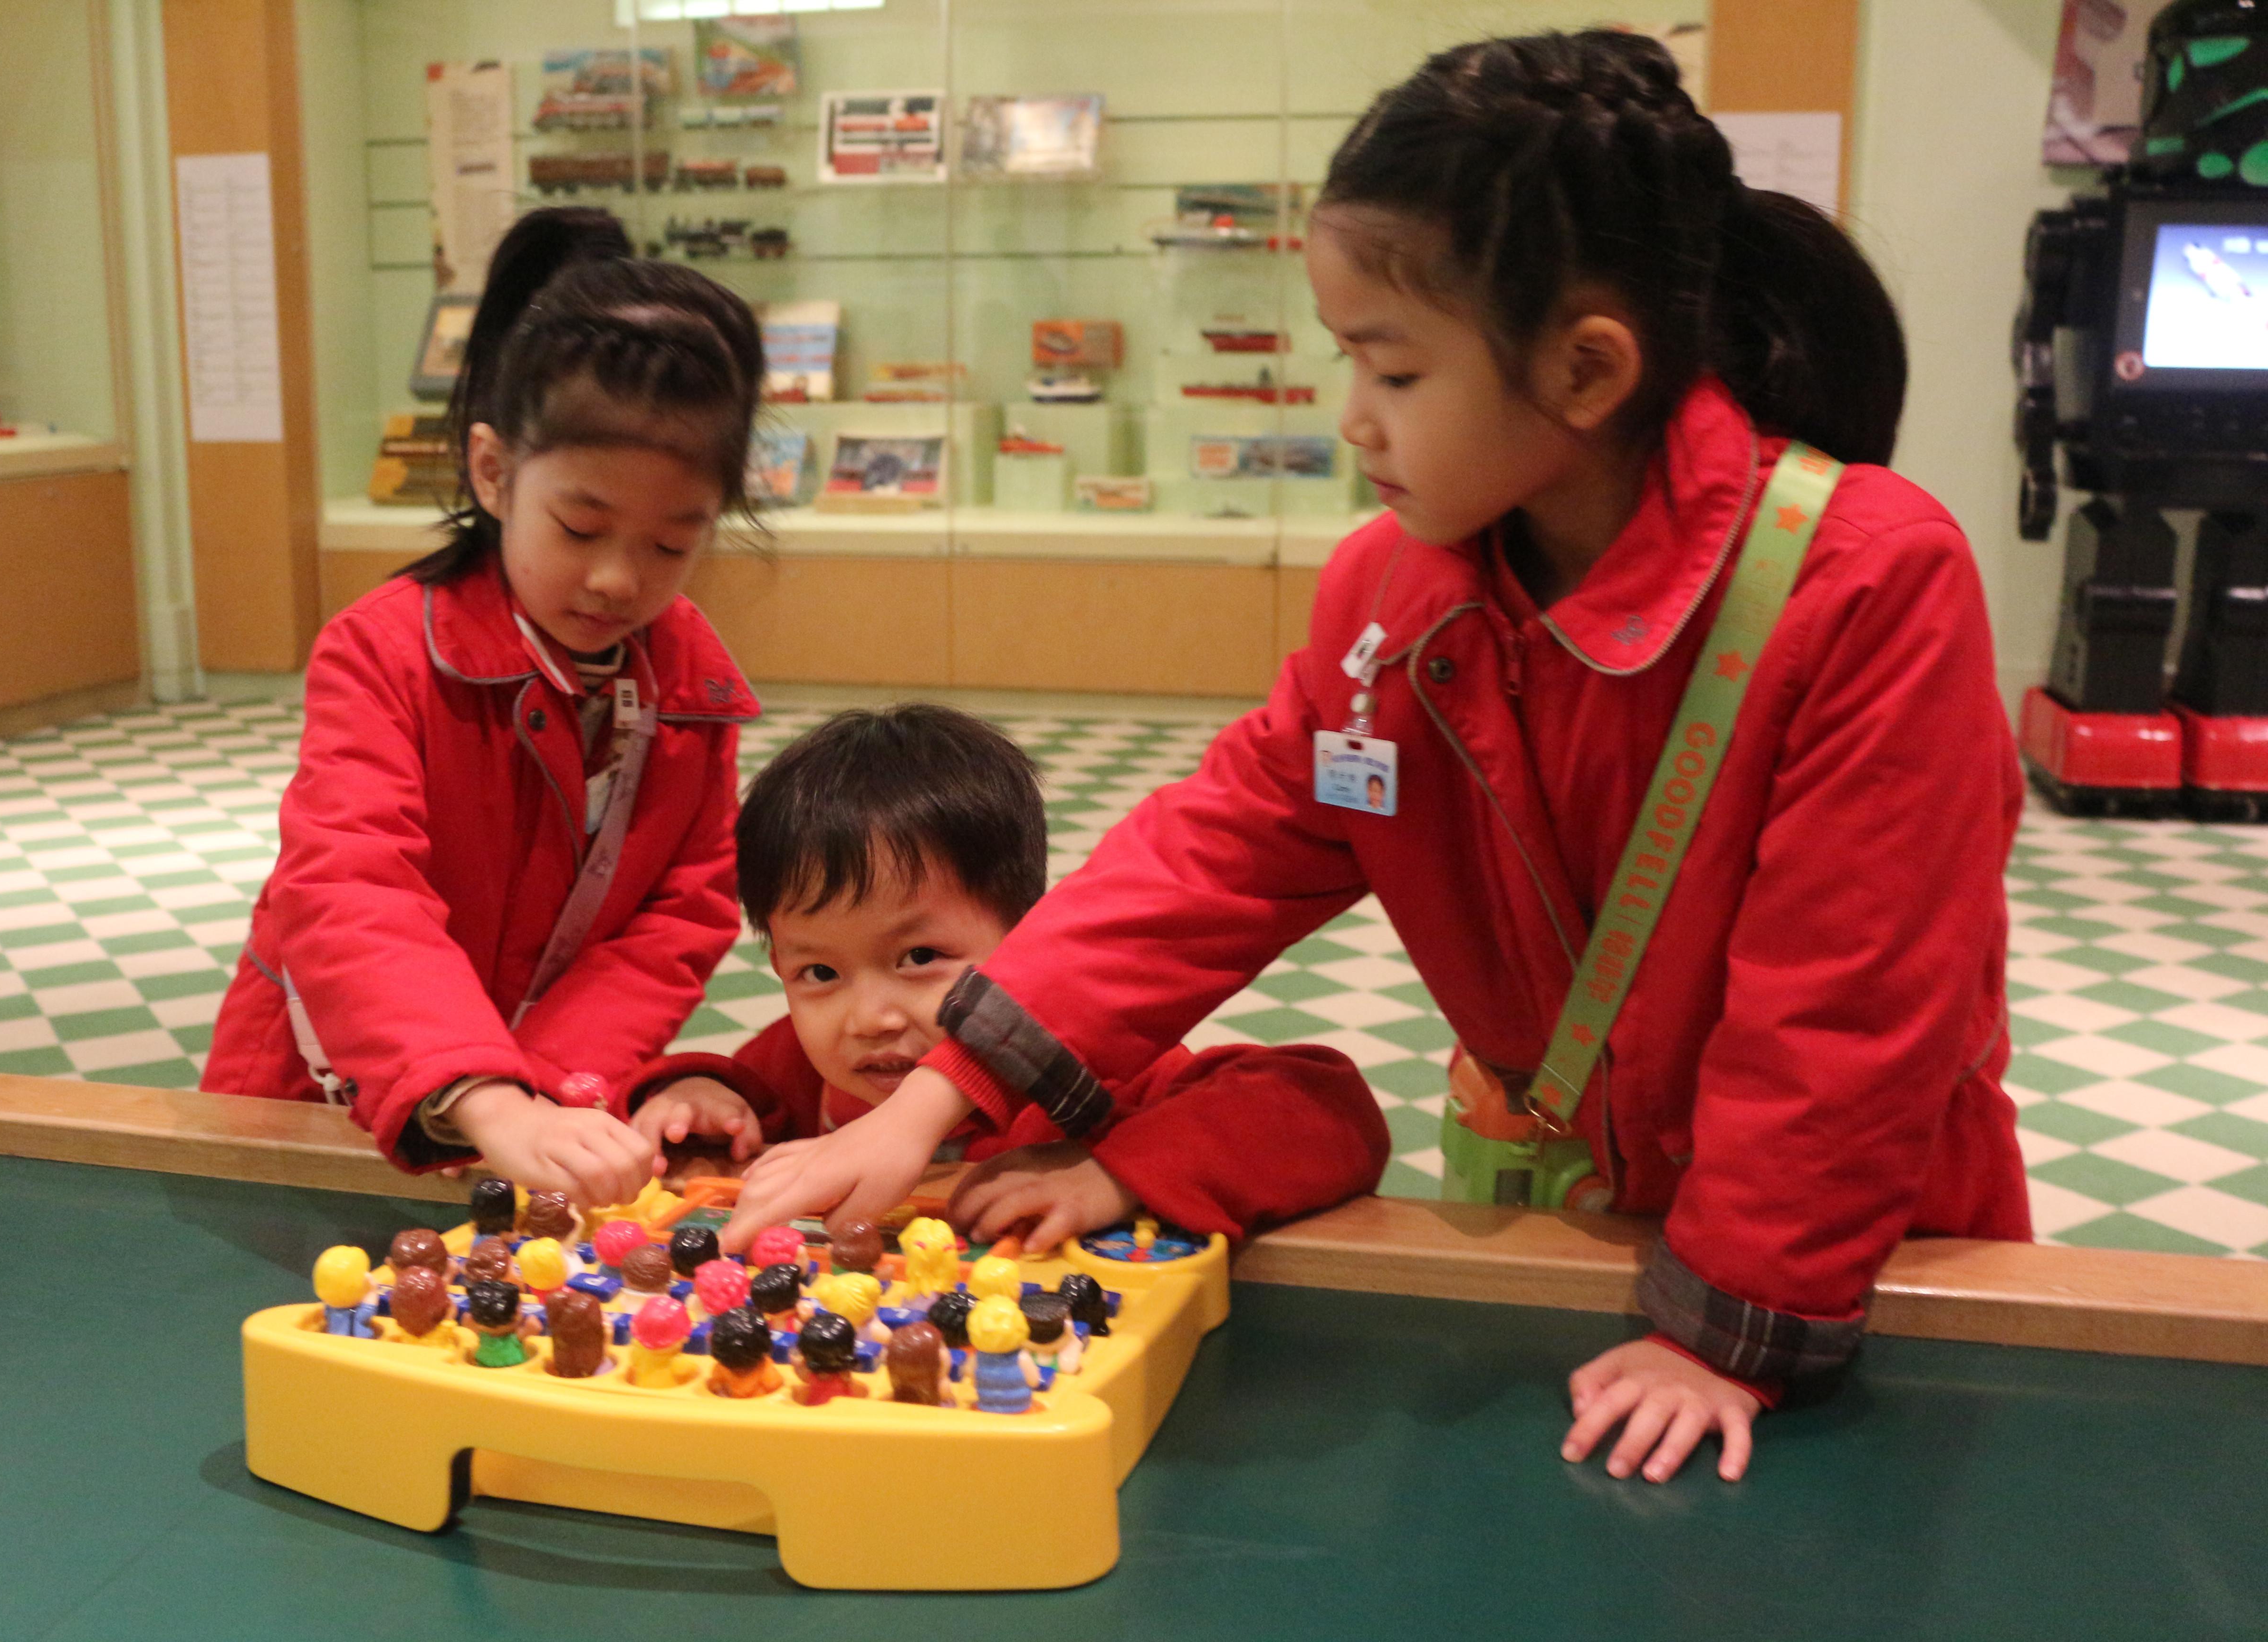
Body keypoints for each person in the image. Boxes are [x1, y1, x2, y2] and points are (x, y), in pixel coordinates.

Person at [721, 32, 2032, 1487]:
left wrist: (1732, 1325)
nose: (1353, 418)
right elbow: (1216, 855)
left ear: (1586, 369)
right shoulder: (1391, 596)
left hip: (1844, 1266)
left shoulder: (1866, 580)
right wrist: (933, 1101)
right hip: (1584, 1225)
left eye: (1393, 368)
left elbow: (1844, 1014)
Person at [202, 207, 765, 1207]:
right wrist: (479, 1091)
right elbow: (350, 885)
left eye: (671, 544)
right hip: (328, 1101)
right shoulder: (385, 651)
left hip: (541, 1116)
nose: (617, 578)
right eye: (581, 527)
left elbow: (680, 915)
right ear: (494, 473)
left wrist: (538, 1089)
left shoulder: (690, 689)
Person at [623, 704, 1391, 1250]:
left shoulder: (1093, 1073)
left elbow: (1332, 1114)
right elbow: (738, 1098)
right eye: (820, 971)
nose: (871, 1017)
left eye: (919, 958)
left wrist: (1116, 1174)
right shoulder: (799, 1069)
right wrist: (698, 1095)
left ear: (1033, 943)